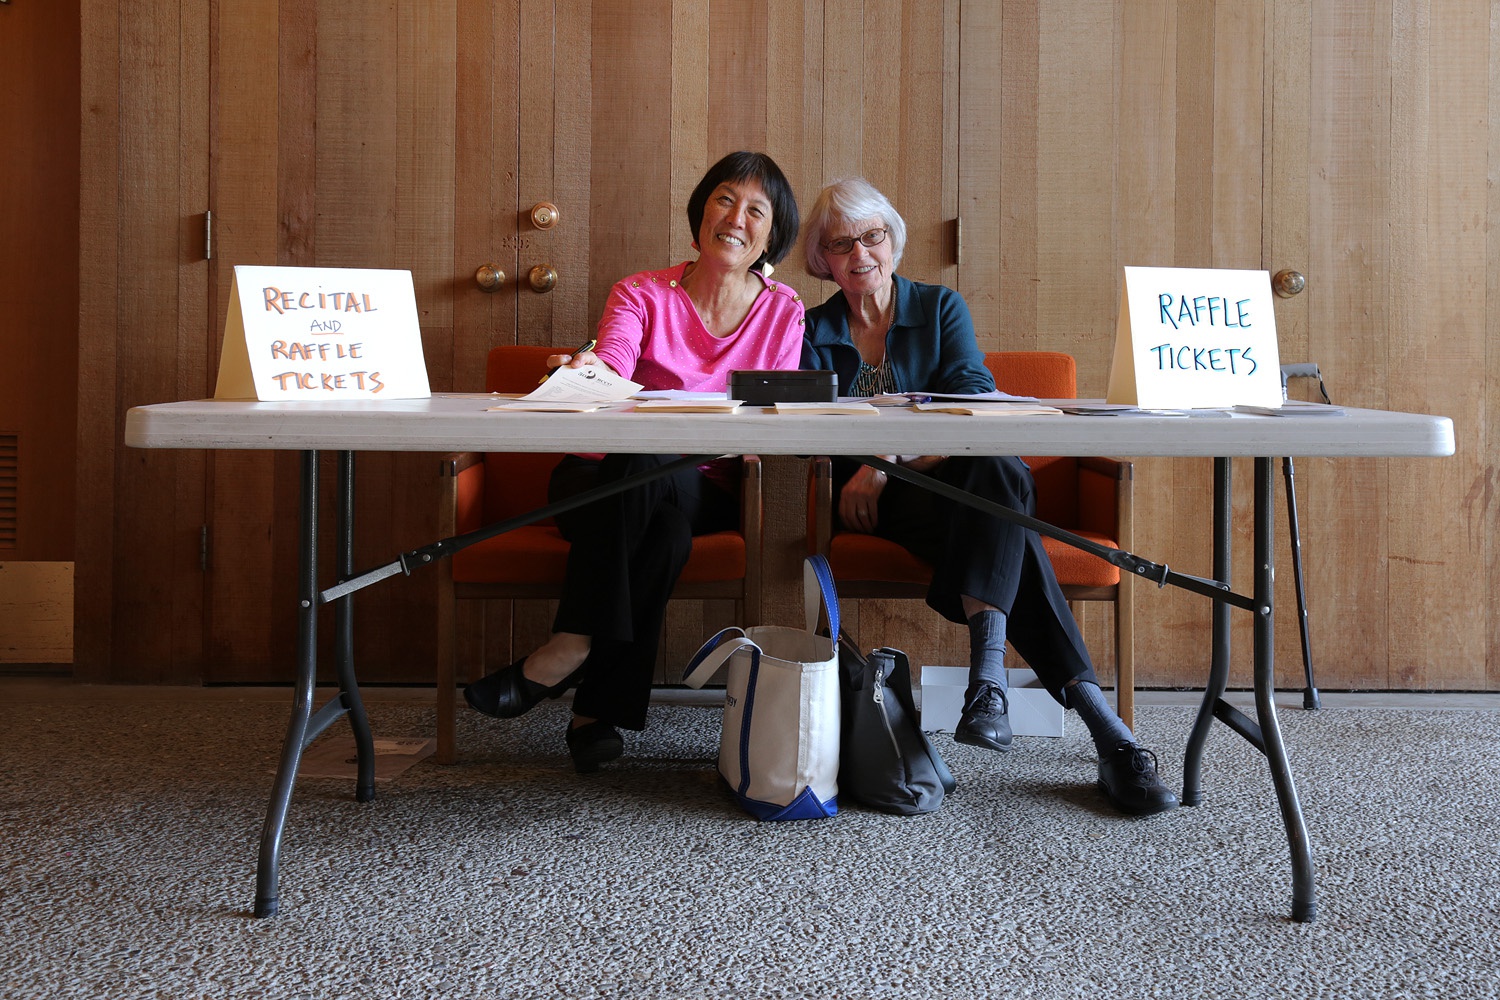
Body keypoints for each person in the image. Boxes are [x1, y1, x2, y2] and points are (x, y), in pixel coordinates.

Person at [799, 177, 1177, 815]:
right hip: (874, 507)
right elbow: (807, 425)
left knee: (998, 472)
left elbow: (972, 398)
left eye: (873, 236)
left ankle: (1000, 686)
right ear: (822, 259)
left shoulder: (940, 307)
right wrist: (875, 465)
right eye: (842, 243)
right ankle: (1105, 736)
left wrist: (885, 458)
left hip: (946, 488)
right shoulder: (808, 328)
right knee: (1004, 502)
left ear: (893, 241)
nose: (861, 253)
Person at [464, 151, 805, 773]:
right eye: (725, 199)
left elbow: (769, 414)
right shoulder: (642, 291)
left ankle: (569, 648)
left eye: (757, 210)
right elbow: (612, 362)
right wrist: (582, 371)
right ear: (702, 210)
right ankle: (596, 708)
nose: (736, 217)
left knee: (659, 475)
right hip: (595, 479)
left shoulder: (783, 311)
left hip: (708, 485)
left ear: (772, 236)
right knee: (660, 519)